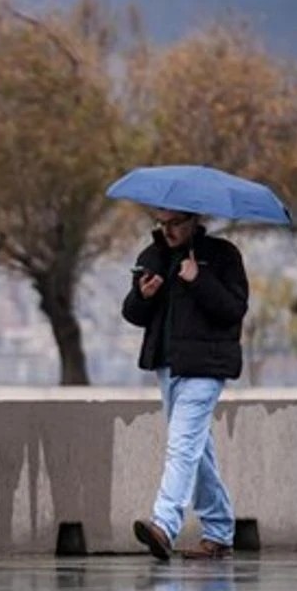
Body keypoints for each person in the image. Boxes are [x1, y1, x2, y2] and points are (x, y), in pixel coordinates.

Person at [121, 208, 248, 561]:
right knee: (196, 450)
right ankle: (220, 530)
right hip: (167, 365)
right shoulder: (152, 257)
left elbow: (234, 309)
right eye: (163, 223)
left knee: (181, 445)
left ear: (194, 221)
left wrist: (199, 280)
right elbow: (132, 313)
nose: (168, 230)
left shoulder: (223, 256)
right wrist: (143, 295)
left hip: (205, 367)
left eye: (176, 223)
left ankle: (164, 524)